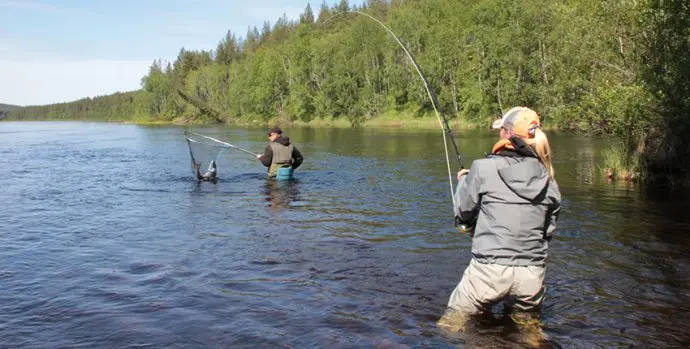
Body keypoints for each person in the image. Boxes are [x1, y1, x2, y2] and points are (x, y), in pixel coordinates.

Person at [437, 107, 561, 343]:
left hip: (488, 274)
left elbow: (463, 214)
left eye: (501, 129)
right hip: (531, 278)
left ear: (507, 134)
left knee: (449, 327)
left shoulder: (483, 168)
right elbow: (547, 233)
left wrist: (464, 182)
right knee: (528, 334)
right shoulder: (550, 182)